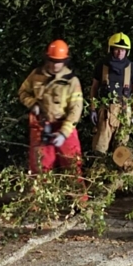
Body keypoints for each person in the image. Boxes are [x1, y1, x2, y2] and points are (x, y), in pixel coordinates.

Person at [18, 39, 84, 174]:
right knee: (40, 167)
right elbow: (23, 92)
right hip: (41, 126)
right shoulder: (36, 75)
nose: (55, 65)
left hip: (64, 125)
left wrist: (63, 133)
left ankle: (77, 195)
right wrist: (32, 104)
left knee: (73, 165)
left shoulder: (71, 81)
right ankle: (40, 195)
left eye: (58, 62)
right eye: (52, 61)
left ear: (65, 61)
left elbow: (75, 110)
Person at [89, 32, 133, 155]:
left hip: (124, 112)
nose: (120, 53)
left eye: (123, 50)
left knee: (121, 149)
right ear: (111, 49)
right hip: (105, 112)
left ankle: (118, 172)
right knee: (99, 147)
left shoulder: (132, 67)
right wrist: (93, 109)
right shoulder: (102, 66)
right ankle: (98, 169)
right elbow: (94, 88)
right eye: (117, 49)